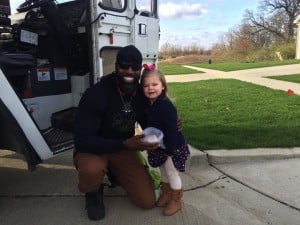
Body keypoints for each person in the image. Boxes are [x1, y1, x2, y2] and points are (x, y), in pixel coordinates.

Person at [73, 45, 160, 221]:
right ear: (116, 66)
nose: (129, 71)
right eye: (124, 66)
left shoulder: (140, 94)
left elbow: (149, 123)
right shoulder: (96, 94)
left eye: (135, 67)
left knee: (147, 201)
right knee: (92, 169)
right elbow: (82, 141)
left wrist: (169, 125)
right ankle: (93, 192)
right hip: (94, 149)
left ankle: (114, 171)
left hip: (122, 149)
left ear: (140, 69)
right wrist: (125, 144)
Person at [140, 69, 190, 216]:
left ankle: (176, 200)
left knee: (172, 173)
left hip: (171, 147)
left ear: (163, 86)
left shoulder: (165, 106)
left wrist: (170, 150)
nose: (150, 88)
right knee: (162, 171)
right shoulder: (151, 104)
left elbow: (172, 131)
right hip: (161, 146)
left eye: (154, 84)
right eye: (146, 86)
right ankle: (166, 193)